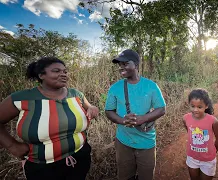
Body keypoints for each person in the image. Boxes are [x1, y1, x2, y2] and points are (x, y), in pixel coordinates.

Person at [0, 57, 99, 180]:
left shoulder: (75, 94)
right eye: (56, 71)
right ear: (41, 75)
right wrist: (12, 146)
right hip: (42, 167)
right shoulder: (22, 98)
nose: (63, 74)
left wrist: (92, 108)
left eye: (65, 71)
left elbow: (90, 106)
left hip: (80, 157)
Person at [105, 49, 166, 180]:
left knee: (146, 176)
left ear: (136, 65)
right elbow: (108, 111)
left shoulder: (151, 86)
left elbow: (161, 109)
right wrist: (122, 121)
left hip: (146, 142)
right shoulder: (115, 88)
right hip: (123, 142)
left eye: (126, 63)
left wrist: (143, 118)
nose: (121, 67)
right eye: (120, 64)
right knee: (125, 176)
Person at [183, 88, 218, 180]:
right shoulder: (185, 118)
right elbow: (189, 132)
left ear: (206, 106)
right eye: (192, 106)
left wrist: (213, 151)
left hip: (208, 160)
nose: (195, 110)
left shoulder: (213, 121)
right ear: (189, 104)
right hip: (192, 157)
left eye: (199, 107)